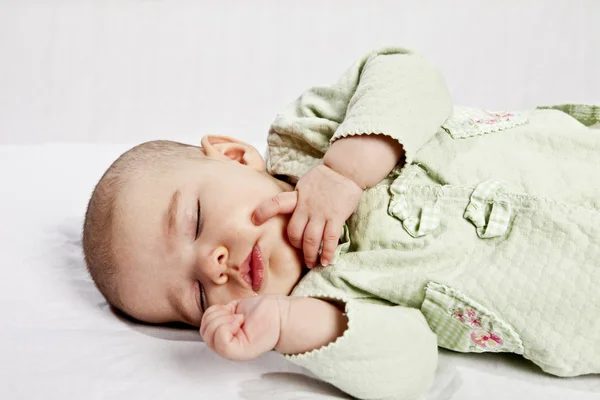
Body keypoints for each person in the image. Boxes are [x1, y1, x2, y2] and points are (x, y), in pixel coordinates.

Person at [82, 46, 600, 400]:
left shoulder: (309, 135)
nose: (214, 265)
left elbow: (407, 71)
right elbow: (408, 366)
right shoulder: (327, 304)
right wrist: (286, 327)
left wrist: (344, 169)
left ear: (235, 156)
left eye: (194, 221)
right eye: (196, 298)